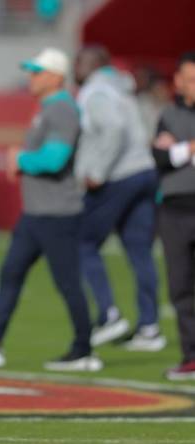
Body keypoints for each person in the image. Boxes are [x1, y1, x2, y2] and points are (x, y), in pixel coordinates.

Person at [0, 48, 101, 373]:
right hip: (37, 213)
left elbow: (55, 159)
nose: (30, 77)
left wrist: (19, 160)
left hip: (56, 213)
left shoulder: (61, 109)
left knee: (67, 283)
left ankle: (84, 349)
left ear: (55, 77)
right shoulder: (48, 108)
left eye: (37, 71)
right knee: (11, 273)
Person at [74, 47, 163, 351]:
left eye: (80, 61)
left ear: (93, 64)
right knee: (140, 251)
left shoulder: (96, 90)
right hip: (144, 170)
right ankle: (150, 327)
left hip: (119, 175)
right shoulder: (121, 88)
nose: (76, 66)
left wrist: (97, 170)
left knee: (82, 242)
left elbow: (113, 128)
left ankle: (109, 314)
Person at [152, 52, 195, 380]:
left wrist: (179, 149)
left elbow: (172, 153)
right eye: (185, 78)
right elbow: (160, 157)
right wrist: (187, 150)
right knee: (180, 286)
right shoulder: (168, 115)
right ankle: (191, 356)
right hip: (175, 210)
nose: (188, 85)